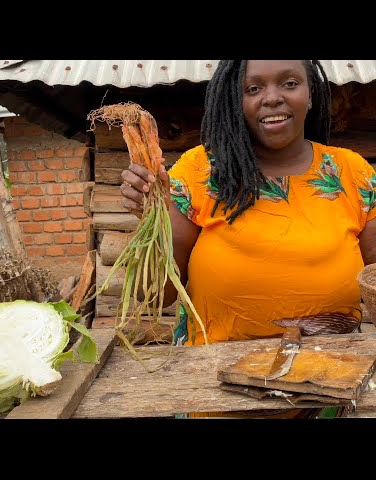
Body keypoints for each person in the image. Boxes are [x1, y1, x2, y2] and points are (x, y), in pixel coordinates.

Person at [119, 60, 376, 418]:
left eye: (289, 83)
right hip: (218, 396)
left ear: (311, 93)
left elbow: (374, 280)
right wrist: (153, 219)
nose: (272, 98)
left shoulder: (352, 173)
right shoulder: (199, 172)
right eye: (252, 89)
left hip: (329, 391)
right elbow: (156, 292)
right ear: (233, 101)